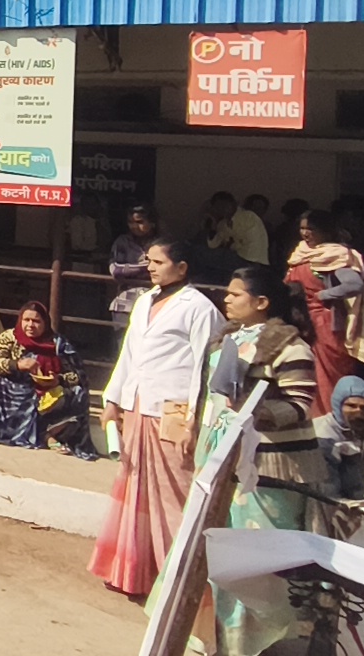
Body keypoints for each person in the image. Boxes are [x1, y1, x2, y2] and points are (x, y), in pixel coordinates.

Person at [188, 265, 328, 656]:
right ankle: (217, 638)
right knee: (218, 551)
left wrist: (257, 415)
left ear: (262, 302)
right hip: (219, 461)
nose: (227, 299)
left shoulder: (290, 347)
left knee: (257, 560)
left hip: (268, 470)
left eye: (236, 294)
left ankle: (261, 644)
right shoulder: (225, 340)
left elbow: (300, 404)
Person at [89, 237, 225, 599]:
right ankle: (133, 573)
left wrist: (196, 420)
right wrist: (113, 399)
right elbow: (128, 355)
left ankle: (179, 581)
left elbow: (206, 369)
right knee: (135, 488)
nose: (150, 267)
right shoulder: (144, 301)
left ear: (182, 268)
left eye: (158, 262)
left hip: (175, 411)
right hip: (138, 405)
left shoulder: (200, 308)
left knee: (174, 494)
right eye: (148, 261)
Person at [0, 301, 99, 460]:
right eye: (26, 320)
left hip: (50, 393)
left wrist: (58, 380)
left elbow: (79, 375)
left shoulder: (58, 344)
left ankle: (48, 434)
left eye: (36, 321)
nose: (30, 325)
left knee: (78, 393)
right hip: (17, 388)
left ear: (45, 323)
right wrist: (16, 365)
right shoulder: (10, 337)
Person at [286, 209, 364, 413]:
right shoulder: (300, 253)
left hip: (324, 325)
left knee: (326, 375)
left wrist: (323, 295)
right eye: (302, 228)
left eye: (311, 229)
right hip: (300, 321)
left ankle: (329, 417)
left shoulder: (336, 255)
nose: (305, 233)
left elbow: (354, 284)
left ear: (326, 231)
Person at [315, 375, 364, 499]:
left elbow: (363, 478)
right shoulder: (324, 438)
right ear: (338, 406)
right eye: (351, 406)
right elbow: (326, 491)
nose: (359, 413)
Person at [108, 204, 159, 329]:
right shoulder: (122, 242)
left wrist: (130, 270)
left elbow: (166, 270)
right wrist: (145, 267)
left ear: (152, 223)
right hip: (125, 304)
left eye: (139, 222)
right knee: (122, 340)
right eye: (131, 222)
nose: (134, 226)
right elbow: (115, 271)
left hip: (155, 303)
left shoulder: (162, 244)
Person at [205, 191, 271, 268]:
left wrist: (231, 246)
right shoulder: (222, 224)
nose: (224, 208)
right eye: (219, 206)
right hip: (234, 259)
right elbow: (214, 244)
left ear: (234, 203)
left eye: (226, 204)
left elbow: (246, 244)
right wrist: (212, 223)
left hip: (251, 260)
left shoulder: (249, 217)